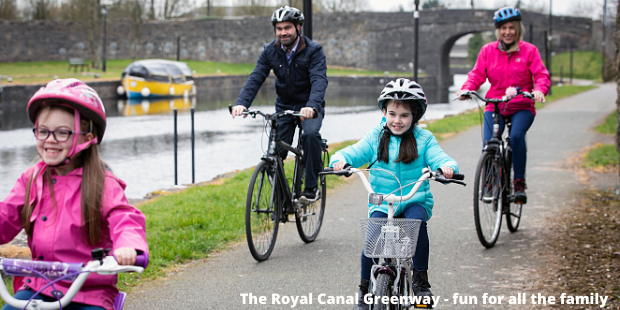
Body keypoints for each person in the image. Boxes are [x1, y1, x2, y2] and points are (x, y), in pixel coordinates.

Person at [0, 79, 149, 310]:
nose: (50, 139)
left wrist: (129, 247)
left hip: (89, 292)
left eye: (62, 133)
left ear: (87, 139)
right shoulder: (30, 180)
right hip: (39, 287)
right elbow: (5, 216)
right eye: (43, 131)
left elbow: (125, 219)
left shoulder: (103, 183)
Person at [330, 79, 459, 310]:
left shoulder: (424, 139)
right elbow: (354, 151)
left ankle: (421, 282)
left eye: (404, 115)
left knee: (417, 224)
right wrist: (341, 161)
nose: (397, 120)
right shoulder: (375, 137)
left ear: (415, 116)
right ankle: (363, 288)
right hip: (382, 201)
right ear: (383, 112)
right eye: (392, 113)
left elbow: (441, 158)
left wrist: (447, 168)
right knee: (372, 238)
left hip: (413, 199)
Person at [231, 5, 328, 200]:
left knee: (310, 135)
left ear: (297, 27)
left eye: (287, 28)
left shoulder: (313, 51)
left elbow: (319, 80)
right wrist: (242, 103)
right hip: (284, 106)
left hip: (308, 106)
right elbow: (256, 77)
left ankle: (311, 187)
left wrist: (311, 106)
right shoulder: (270, 51)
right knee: (274, 154)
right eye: (279, 28)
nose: (283, 32)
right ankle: (282, 199)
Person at [457, 6, 550, 204]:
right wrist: (467, 89)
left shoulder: (529, 51)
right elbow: (477, 75)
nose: (507, 32)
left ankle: (518, 183)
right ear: (498, 30)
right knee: (489, 143)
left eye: (511, 27)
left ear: (518, 28)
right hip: (495, 104)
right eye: (503, 28)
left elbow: (541, 75)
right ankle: (489, 182)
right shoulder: (487, 51)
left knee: (516, 137)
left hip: (522, 105)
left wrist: (540, 89)